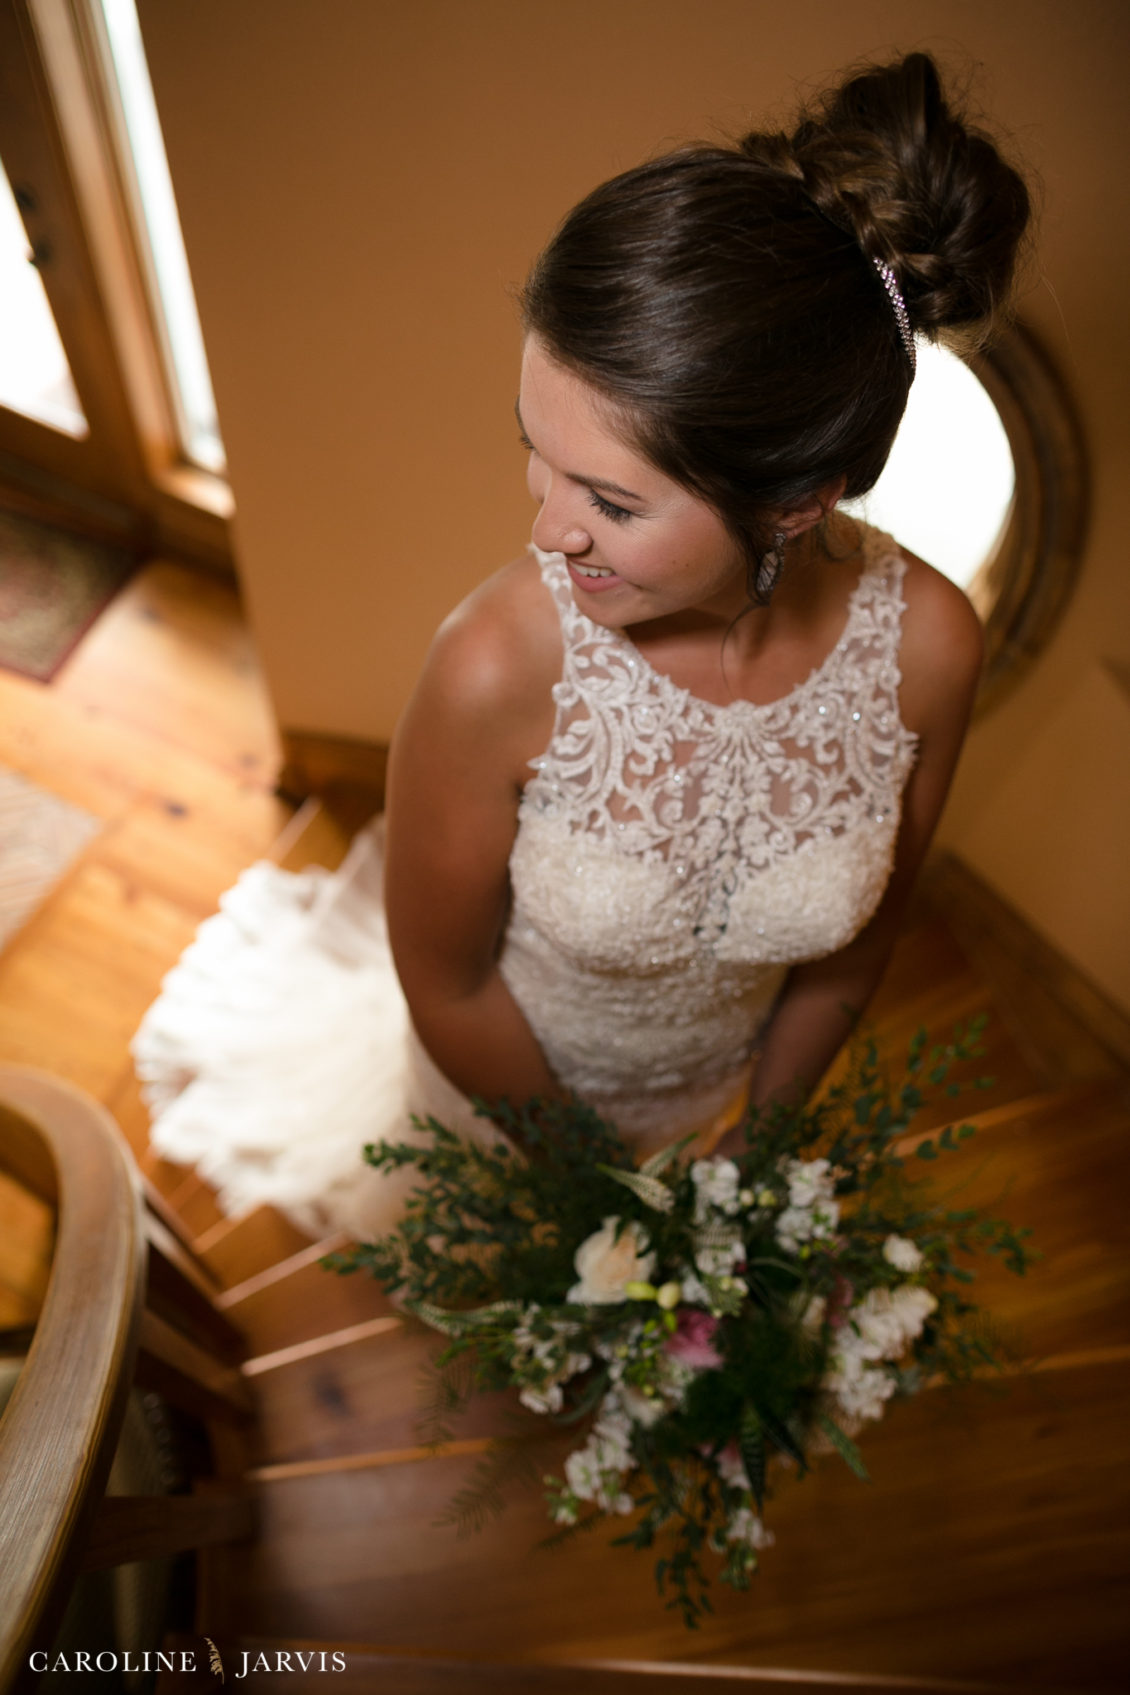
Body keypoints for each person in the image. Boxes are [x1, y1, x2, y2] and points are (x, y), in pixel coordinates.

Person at [133, 51, 1030, 1236]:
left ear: (796, 501)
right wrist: (608, 1209)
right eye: (536, 451)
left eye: (609, 502)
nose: (545, 530)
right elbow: (446, 985)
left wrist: (750, 1160)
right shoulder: (493, 666)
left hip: (727, 1109)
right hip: (514, 1121)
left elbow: (849, 962)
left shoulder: (931, 651)